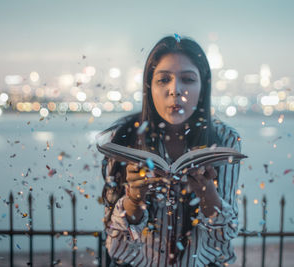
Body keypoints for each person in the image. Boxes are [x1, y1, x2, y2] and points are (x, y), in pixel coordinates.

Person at [99, 35, 243, 267]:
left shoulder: (224, 140)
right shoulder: (124, 138)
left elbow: (225, 235)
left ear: (203, 87)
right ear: (149, 86)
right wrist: (134, 199)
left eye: (188, 80)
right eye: (163, 80)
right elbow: (115, 244)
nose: (175, 90)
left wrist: (208, 194)